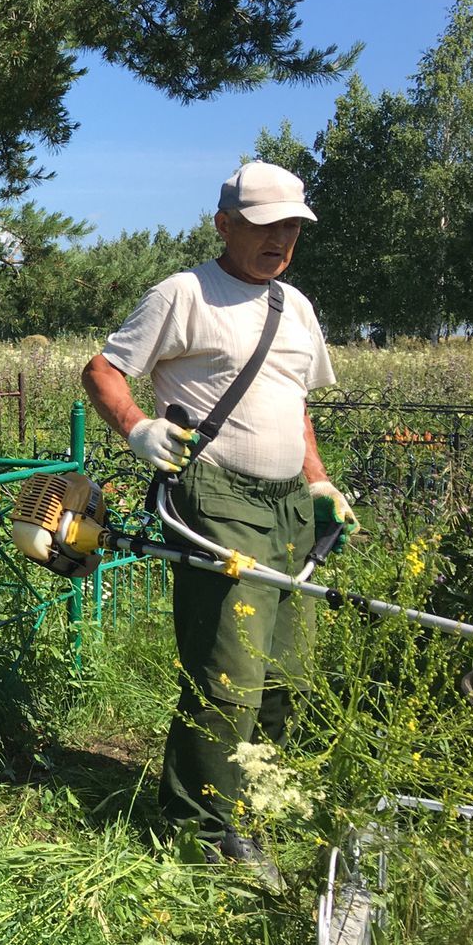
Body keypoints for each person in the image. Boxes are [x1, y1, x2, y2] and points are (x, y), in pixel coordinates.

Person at [79, 161, 358, 883]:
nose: (280, 240)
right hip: (215, 495)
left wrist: (320, 482)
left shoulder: (295, 308)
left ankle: (248, 807)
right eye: (265, 226)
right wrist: (138, 427)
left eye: (292, 227)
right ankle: (198, 830)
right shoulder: (184, 293)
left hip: (288, 503)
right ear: (225, 225)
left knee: (283, 673)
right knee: (227, 670)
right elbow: (103, 371)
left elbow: (294, 405)